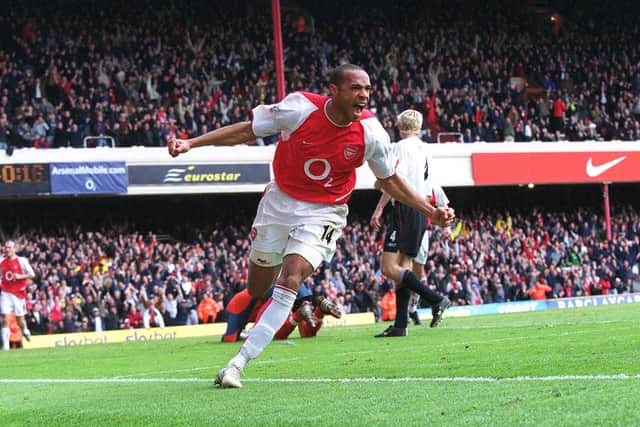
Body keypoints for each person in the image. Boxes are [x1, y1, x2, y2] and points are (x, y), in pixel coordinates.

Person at [168, 64, 454, 388]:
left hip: (325, 211)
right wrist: (192, 143)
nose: (364, 95)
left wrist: (430, 211)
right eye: (356, 88)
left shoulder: (371, 134)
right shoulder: (299, 108)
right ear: (333, 90)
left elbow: (389, 179)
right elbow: (248, 130)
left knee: (292, 274)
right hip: (279, 201)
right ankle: (291, 298)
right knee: (258, 287)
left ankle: (237, 364)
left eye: (368, 89)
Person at [369, 110, 451, 338]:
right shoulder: (426, 149)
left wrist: (379, 188)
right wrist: (443, 205)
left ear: (399, 125)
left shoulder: (399, 147)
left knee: (388, 267)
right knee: (403, 267)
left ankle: (436, 299)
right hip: (421, 210)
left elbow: (396, 180)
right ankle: (400, 324)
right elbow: (430, 183)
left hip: (405, 208)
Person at [222, 284, 341, 343]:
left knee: (229, 338)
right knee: (306, 332)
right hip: (296, 288)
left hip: (268, 296)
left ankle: (298, 314)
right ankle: (320, 311)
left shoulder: (239, 303)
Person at [0, 240, 35, 350]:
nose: (7, 249)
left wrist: (20, 276)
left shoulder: (21, 261)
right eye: (6, 247)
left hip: (18, 294)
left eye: (10, 247)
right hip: (5, 293)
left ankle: (24, 330)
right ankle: (5, 347)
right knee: (5, 317)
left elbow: (32, 274)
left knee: (20, 320)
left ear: (14, 249)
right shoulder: (1, 261)